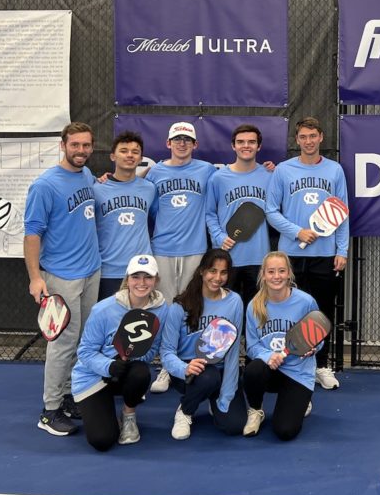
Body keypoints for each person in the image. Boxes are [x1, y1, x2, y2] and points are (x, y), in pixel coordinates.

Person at [24, 121, 101, 436]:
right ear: (63, 145)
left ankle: (68, 397)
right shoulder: (45, 185)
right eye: (75, 145)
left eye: (86, 145)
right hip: (60, 276)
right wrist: (34, 278)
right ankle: (50, 410)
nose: (81, 151)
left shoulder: (86, 175)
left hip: (90, 271)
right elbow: (32, 235)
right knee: (62, 343)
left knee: (81, 340)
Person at [265, 116, 348, 390]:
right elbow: (270, 211)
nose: (309, 141)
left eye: (313, 136)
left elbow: (342, 213)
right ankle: (293, 364)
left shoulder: (335, 170)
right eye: (303, 137)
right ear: (297, 140)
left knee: (322, 313)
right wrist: (296, 232)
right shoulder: (283, 171)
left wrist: (342, 250)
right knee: (291, 312)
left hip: (325, 256)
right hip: (290, 257)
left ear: (321, 137)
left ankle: (321, 365)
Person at [147, 121, 217, 393]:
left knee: (190, 307)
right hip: (162, 249)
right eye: (177, 139)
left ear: (195, 145)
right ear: (168, 143)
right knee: (165, 309)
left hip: (195, 249)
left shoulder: (207, 170)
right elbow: (151, 210)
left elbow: (233, 177)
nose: (182, 143)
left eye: (187, 140)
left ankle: (188, 361)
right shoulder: (155, 173)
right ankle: (166, 365)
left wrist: (268, 168)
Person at [70, 254, 167, 451]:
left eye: (148, 277)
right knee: (102, 440)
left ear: (156, 280)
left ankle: (128, 414)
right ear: (127, 279)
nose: (142, 283)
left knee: (141, 372)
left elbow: (153, 350)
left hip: (126, 373)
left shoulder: (162, 310)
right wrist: (110, 365)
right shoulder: (103, 309)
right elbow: (85, 352)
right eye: (136, 276)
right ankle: (102, 410)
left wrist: (134, 356)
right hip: (92, 377)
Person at [159, 248, 246, 440]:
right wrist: (184, 368)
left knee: (235, 426)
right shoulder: (179, 306)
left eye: (223, 272)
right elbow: (166, 352)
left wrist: (226, 393)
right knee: (208, 378)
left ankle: (212, 398)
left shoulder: (234, 302)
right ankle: (185, 410)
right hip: (190, 372)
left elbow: (232, 352)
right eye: (212, 271)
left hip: (220, 370)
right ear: (201, 271)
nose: (217, 277)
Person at [242, 251, 320, 440]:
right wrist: (269, 356)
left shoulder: (306, 302)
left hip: (298, 373)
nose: (276, 276)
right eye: (271, 271)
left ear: (289, 273)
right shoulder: (254, 305)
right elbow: (252, 346)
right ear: (263, 274)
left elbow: (318, 336)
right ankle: (255, 410)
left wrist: (314, 348)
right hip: (271, 369)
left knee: (285, 431)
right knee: (252, 371)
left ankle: (302, 399)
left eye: (281, 271)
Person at [206, 124, 272, 309]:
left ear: (258, 147)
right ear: (233, 146)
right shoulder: (218, 178)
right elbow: (209, 213)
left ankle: (251, 340)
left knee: (256, 311)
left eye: (251, 142)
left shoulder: (269, 176)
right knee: (224, 310)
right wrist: (219, 237)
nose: (246, 146)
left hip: (258, 256)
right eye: (240, 142)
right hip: (227, 257)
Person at [94, 131, 155, 301]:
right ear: (113, 156)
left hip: (141, 269)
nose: (130, 155)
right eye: (124, 151)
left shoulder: (150, 188)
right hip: (108, 270)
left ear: (141, 157)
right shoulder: (97, 189)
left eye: (135, 152)